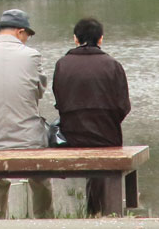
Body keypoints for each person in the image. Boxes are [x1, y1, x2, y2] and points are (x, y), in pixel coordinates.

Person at [0, 8, 53, 219]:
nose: (27, 40)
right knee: (40, 175)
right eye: (27, 35)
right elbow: (38, 93)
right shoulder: (32, 56)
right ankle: (44, 219)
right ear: (20, 31)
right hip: (28, 139)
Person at [52, 17, 131, 216]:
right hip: (107, 136)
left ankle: (93, 210)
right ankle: (102, 211)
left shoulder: (62, 64)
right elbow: (123, 106)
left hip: (72, 137)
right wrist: (106, 121)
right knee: (104, 156)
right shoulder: (113, 65)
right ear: (101, 39)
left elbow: (60, 102)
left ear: (75, 38)